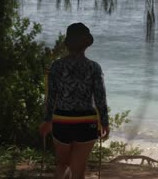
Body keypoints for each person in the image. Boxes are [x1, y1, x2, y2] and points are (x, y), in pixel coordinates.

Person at [39, 22, 110, 179]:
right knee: (78, 172)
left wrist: (47, 120)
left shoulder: (56, 66)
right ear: (86, 45)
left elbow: (51, 97)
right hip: (86, 122)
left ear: (68, 44)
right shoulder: (94, 68)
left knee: (61, 165)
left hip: (61, 120)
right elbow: (100, 97)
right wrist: (104, 122)